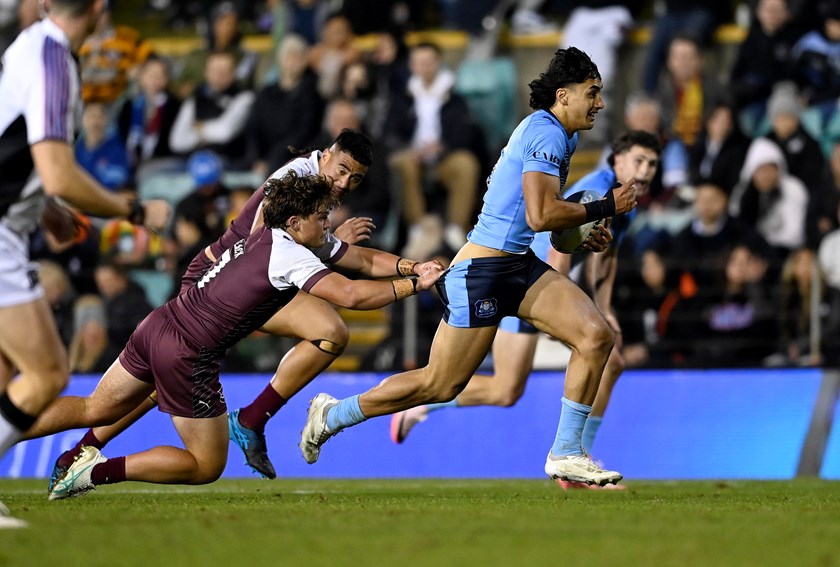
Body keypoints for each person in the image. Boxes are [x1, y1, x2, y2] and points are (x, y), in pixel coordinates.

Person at [298, 47, 637, 486]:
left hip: (517, 263)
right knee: (438, 385)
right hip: (482, 274)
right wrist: (605, 206)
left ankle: (567, 452)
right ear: (563, 95)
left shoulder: (562, 135)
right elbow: (540, 215)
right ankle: (333, 414)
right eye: (592, 92)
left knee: (595, 336)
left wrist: (580, 232)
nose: (600, 103)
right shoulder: (546, 132)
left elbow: (539, 220)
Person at [30, 172, 444, 500]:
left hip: (158, 324)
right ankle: (92, 472)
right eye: (322, 217)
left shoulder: (265, 233)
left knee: (95, 407)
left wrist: (411, 266)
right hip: (188, 354)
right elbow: (351, 295)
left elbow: (360, 261)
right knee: (205, 465)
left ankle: (7, 426)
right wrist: (415, 285)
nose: (328, 224)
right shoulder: (290, 255)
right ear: (295, 222)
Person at [47, 129, 383, 483]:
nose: (344, 183)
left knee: (330, 332)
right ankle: (80, 451)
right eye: (342, 170)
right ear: (326, 155)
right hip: (218, 275)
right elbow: (261, 246)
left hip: (243, 277)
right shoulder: (296, 174)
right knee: (163, 380)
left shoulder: (316, 183)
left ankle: (250, 419)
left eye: (355, 178)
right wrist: (331, 244)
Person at [389, 130, 661, 490]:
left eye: (652, 164)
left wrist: (605, 309)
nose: (645, 170)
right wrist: (562, 307)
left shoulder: (625, 198)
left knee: (506, 390)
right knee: (608, 360)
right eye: (639, 161)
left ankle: (420, 406)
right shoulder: (598, 190)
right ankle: (577, 459)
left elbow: (606, 259)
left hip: (529, 281)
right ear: (617, 160)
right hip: (528, 283)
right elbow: (559, 245)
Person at [0, 0, 169, 529]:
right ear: (99, 8)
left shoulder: (30, 46)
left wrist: (47, 211)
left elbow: (18, 151)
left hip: (14, 224)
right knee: (47, 371)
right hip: (1, 232)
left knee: (7, 373)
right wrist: (133, 210)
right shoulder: (54, 58)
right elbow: (56, 171)